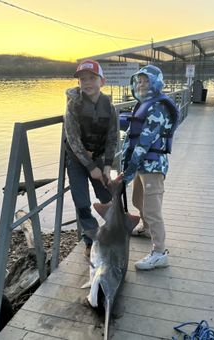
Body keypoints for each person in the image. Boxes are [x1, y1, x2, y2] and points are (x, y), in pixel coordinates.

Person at [121, 65, 179, 270]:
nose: (142, 84)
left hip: (152, 165)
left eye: (146, 81)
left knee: (153, 210)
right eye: (139, 81)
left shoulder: (159, 107)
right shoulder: (143, 104)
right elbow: (133, 127)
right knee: (138, 199)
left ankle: (159, 252)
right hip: (141, 165)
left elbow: (144, 142)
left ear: (156, 82)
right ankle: (146, 229)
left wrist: (127, 173)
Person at [64, 60, 118, 257]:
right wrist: (89, 167)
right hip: (77, 160)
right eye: (82, 79)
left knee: (107, 195)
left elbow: (112, 138)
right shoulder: (73, 105)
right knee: (82, 202)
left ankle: (113, 230)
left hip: (98, 157)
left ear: (102, 81)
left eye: (92, 78)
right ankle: (91, 240)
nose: (87, 83)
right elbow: (73, 139)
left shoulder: (109, 107)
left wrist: (106, 166)